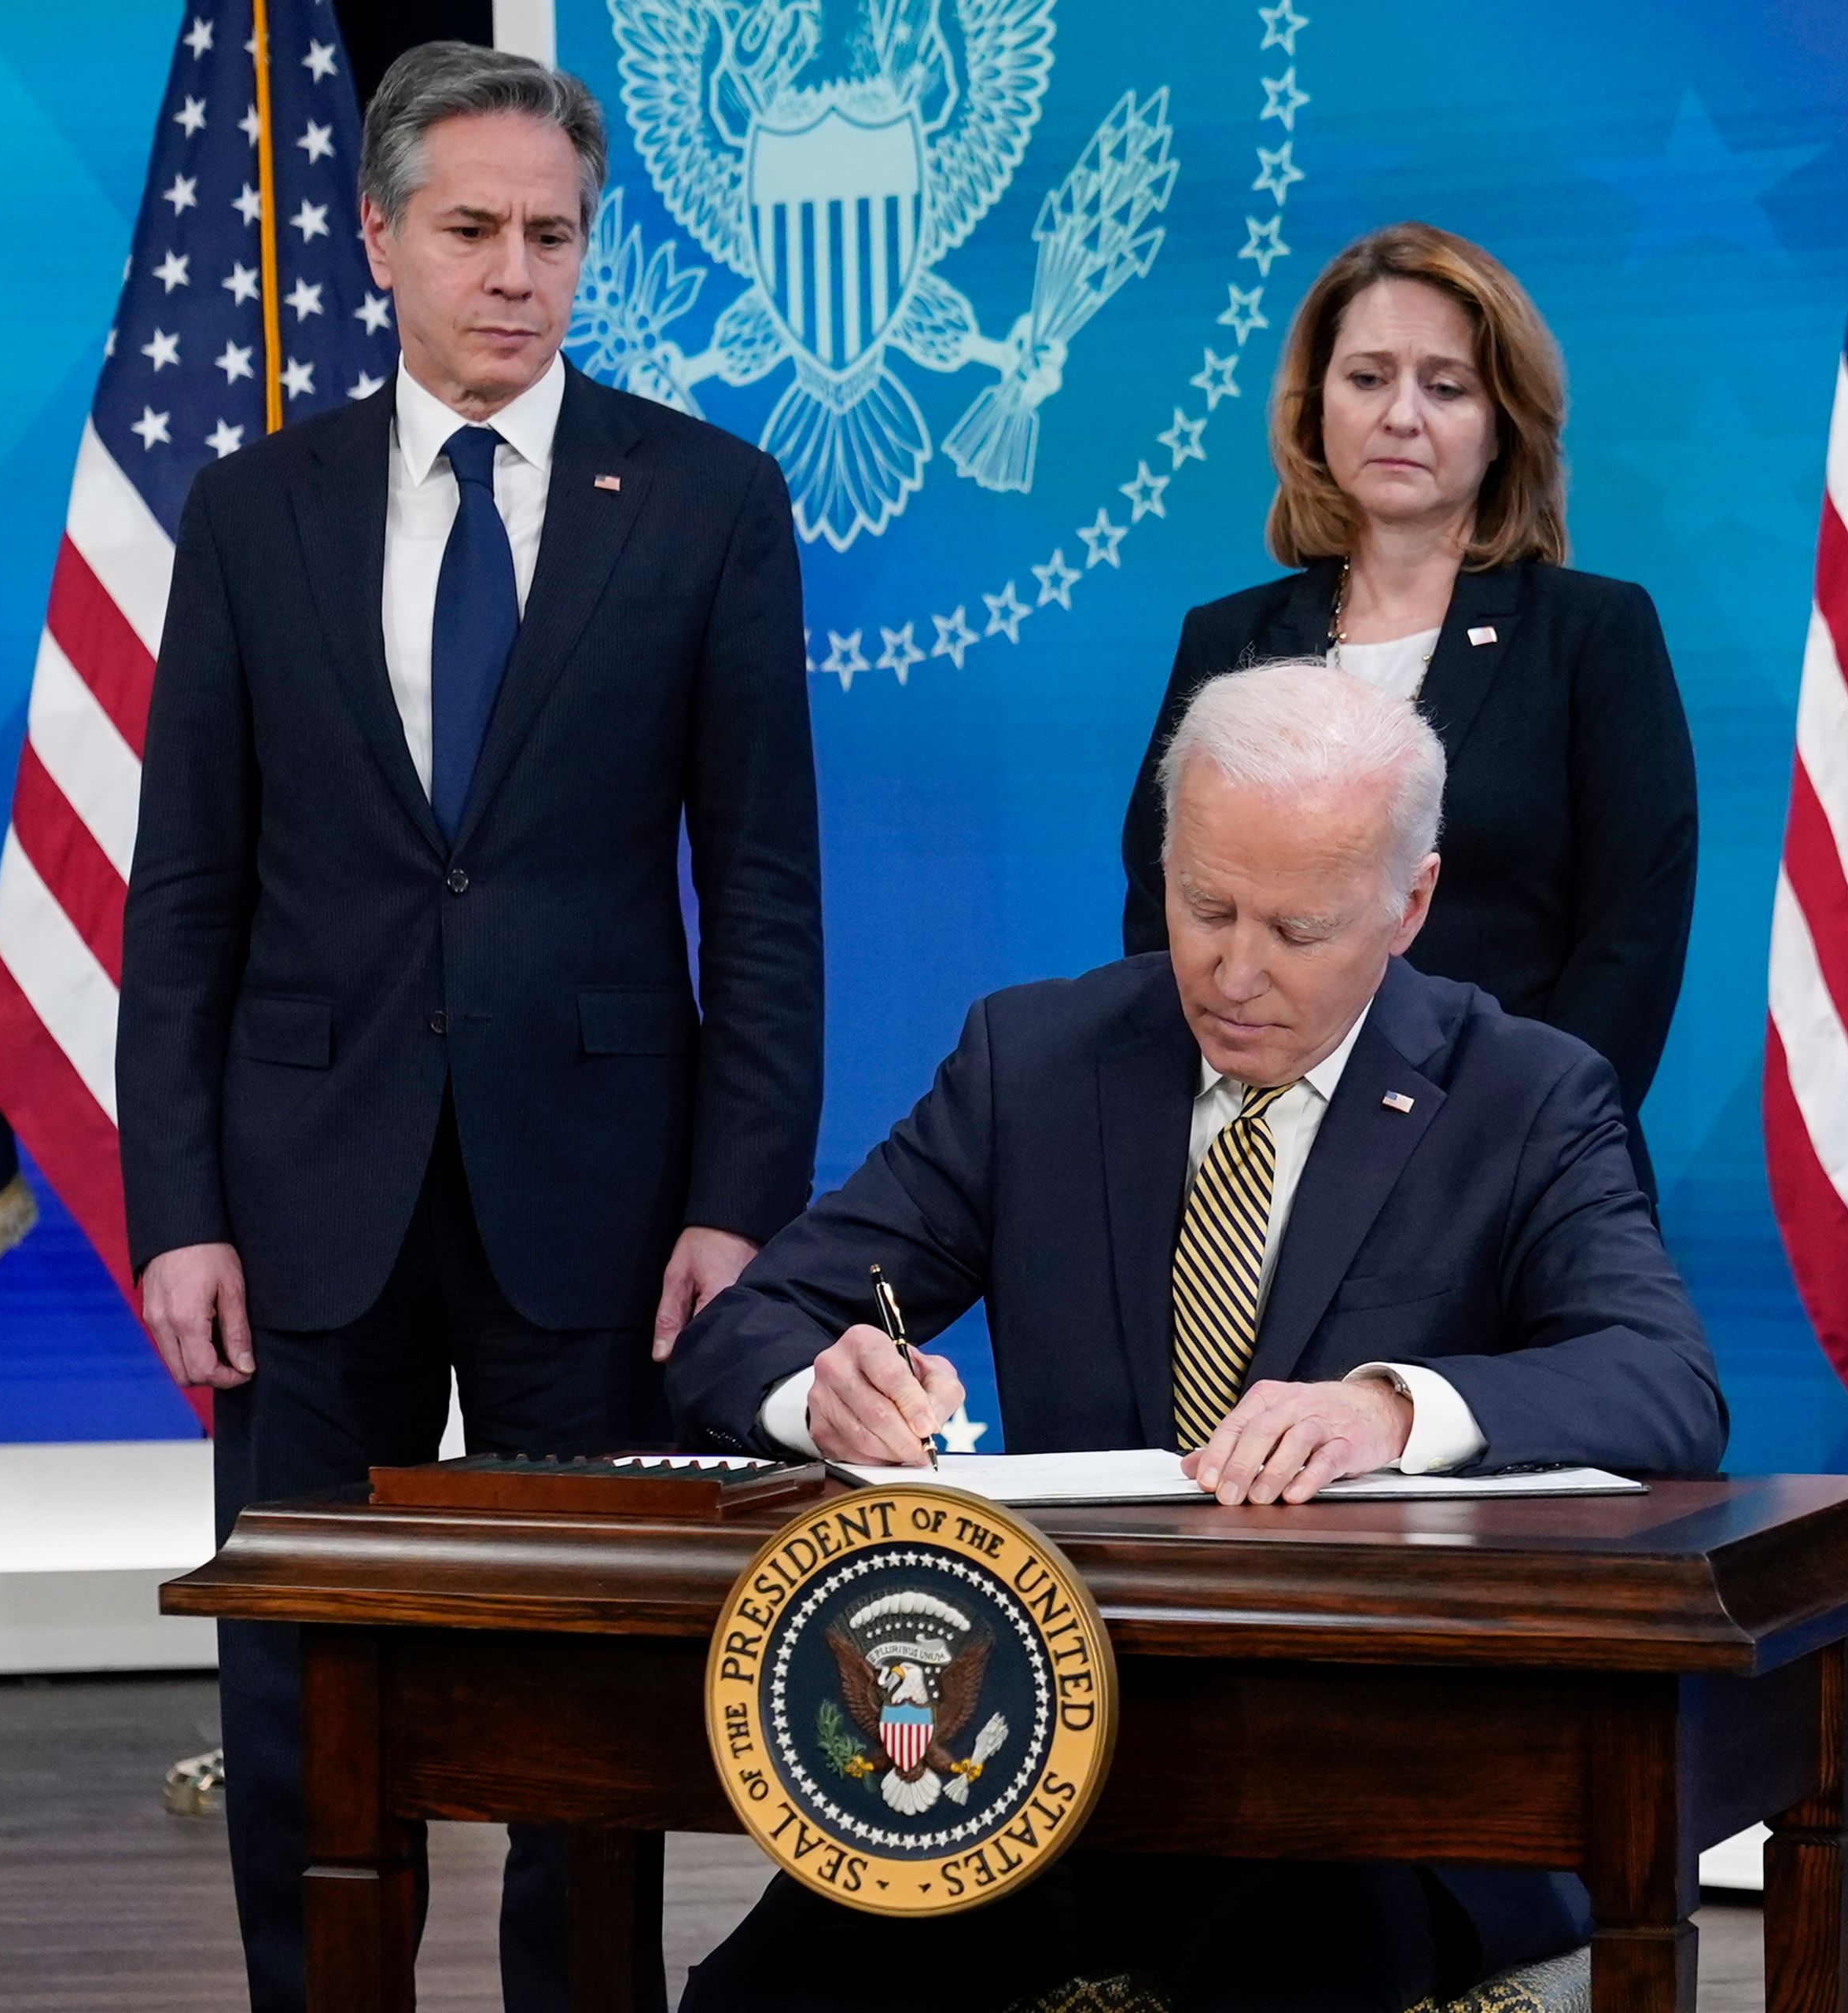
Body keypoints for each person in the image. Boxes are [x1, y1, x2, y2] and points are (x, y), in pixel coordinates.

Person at [672, 660, 1726, 2013]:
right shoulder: (1036, 1061)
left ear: (1409, 904)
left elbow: (1663, 1380)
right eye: (1205, 907)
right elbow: (748, 1328)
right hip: (1054, 1751)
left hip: (1387, 1780)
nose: (1234, 972)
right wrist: (821, 1396)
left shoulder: (1522, 1095)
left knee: (1282, 1945)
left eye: (1297, 929)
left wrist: (1391, 1414)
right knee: (776, 1989)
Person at [117, 43, 822, 2013]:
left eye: (554, 234)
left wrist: (737, 1199)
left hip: (597, 1199)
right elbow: (180, 896)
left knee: (578, 1685)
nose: (518, 271)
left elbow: (761, 885)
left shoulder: (704, 498)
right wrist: (177, 1204)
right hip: (298, 1199)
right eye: (474, 230)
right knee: (299, 1684)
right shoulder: (253, 509)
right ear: (378, 239)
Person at [1117, 223, 1697, 1193]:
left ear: (1503, 419)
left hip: (1512, 1171)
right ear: (1314, 409)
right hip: (1257, 1169)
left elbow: (1630, 939)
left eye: (1446, 386)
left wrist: (1519, 1142)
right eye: (1368, 378)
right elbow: (1160, 904)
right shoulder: (1228, 641)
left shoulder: (1592, 634)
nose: (1401, 416)